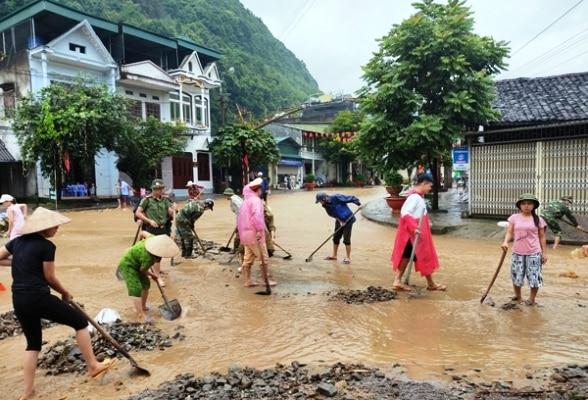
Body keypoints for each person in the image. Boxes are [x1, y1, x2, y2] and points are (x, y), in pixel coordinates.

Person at [0, 207, 118, 399]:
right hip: (38, 297)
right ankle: (93, 366)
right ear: (43, 228)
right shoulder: (47, 247)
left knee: (33, 344)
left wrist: (21, 262)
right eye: (54, 226)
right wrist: (65, 293)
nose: (57, 229)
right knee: (80, 323)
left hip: (19, 299)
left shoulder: (17, 242)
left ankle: (28, 391)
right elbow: (50, 278)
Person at [390, 174, 446, 292]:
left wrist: (426, 223)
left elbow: (418, 214)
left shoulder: (418, 197)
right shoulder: (415, 198)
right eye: (430, 186)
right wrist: (414, 228)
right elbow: (405, 213)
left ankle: (400, 281)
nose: (430, 188)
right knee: (422, 256)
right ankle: (429, 283)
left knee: (409, 256)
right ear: (424, 183)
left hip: (415, 234)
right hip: (412, 235)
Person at [118, 234, 179, 321]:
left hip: (139, 263)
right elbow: (142, 270)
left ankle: (143, 306)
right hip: (129, 265)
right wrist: (153, 275)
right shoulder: (148, 258)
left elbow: (142, 233)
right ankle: (140, 314)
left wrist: (139, 242)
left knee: (146, 284)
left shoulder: (152, 238)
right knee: (136, 288)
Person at [502, 193, 547, 306]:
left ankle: (531, 299)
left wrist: (544, 253)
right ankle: (518, 296)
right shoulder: (514, 218)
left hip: (534, 253)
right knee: (516, 275)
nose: (526, 206)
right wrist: (505, 242)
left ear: (534, 206)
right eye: (523, 204)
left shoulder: (538, 220)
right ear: (520, 206)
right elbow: (510, 232)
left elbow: (542, 237)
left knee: (534, 277)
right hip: (517, 253)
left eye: (529, 203)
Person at [135, 179, 176, 287]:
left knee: (159, 254)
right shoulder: (146, 200)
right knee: (154, 254)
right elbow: (138, 213)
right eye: (158, 189)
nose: (160, 191)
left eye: (161, 189)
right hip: (151, 229)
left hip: (162, 230)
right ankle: (157, 277)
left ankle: (151, 271)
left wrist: (174, 209)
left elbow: (171, 214)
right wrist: (148, 221)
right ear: (153, 189)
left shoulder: (165, 200)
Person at [237, 178, 276, 287]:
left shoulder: (245, 202)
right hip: (254, 233)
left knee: (248, 258)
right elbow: (257, 216)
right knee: (263, 258)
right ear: (258, 190)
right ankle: (265, 281)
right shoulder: (256, 201)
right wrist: (259, 230)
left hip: (245, 234)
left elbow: (239, 219)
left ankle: (247, 281)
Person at [315, 191, 362, 264]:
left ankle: (348, 258)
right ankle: (334, 255)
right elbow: (332, 215)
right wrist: (340, 221)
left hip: (348, 219)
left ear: (324, 198)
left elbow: (350, 198)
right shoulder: (326, 206)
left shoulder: (336, 197)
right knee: (335, 238)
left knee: (346, 239)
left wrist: (358, 204)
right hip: (339, 220)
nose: (320, 203)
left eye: (320, 201)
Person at [223, 188, 243, 261]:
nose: (225, 197)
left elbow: (241, 209)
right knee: (238, 234)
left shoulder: (234, 199)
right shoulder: (234, 198)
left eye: (225, 195)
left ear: (228, 195)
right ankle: (237, 249)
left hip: (242, 219)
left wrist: (239, 222)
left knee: (239, 234)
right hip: (240, 218)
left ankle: (237, 249)